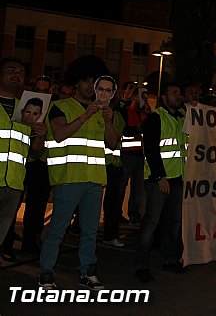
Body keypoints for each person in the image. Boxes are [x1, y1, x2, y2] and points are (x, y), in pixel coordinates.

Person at [37, 55, 118, 290]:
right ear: (76, 83)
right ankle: (45, 273)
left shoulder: (103, 111)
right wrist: (85, 115)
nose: (88, 85)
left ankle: (88, 273)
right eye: (85, 80)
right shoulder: (59, 107)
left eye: (93, 81)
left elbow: (113, 144)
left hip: (94, 180)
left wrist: (109, 121)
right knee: (57, 230)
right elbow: (60, 134)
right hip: (69, 179)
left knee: (90, 231)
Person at [134, 83, 188, 283]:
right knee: (152, 224)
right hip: (160, 181)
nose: (178, 95)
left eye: (179, 92)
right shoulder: (155, 118)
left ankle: (170, 259)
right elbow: (151, 149)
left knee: (174, 223)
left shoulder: (183, 117)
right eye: (173, 92)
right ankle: (141, 265)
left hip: (178, 180)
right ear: (164, 98)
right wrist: (159, 176)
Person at [0, 59, 45, 262]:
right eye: (11, 70)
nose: (17, 74)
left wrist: (41, 134)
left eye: (21, 71)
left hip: (14, 185)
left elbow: (35, 151)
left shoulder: (26, 110)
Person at [95, 76, 126, 247]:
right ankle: (79, 230)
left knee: (113, 203)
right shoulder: (92, 111)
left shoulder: (119, 115)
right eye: (102, 90)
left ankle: (110, 234)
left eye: (111, 91)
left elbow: (117, 140)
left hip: (114, 165)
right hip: (97, 164)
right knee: (90, 203)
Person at [20, 98, 51, 254]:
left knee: (36, 206)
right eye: (28, 112)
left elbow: (37, 149)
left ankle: (31, 241)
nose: (32, 116)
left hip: (40, 165)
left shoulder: (47, 120)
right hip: (18, 165)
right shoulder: (17, 122)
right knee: (12, 205)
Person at [119, 85, 148, 227]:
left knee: (138, 188)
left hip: (140, 155)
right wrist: (135, 130)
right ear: (135, 97)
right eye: (142, 97)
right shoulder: (126, 112)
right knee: (121, 186)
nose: (145, 100)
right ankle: (116, 214)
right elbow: (122, 130)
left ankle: (134, 216)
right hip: (127, 155)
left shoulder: (145, 113)